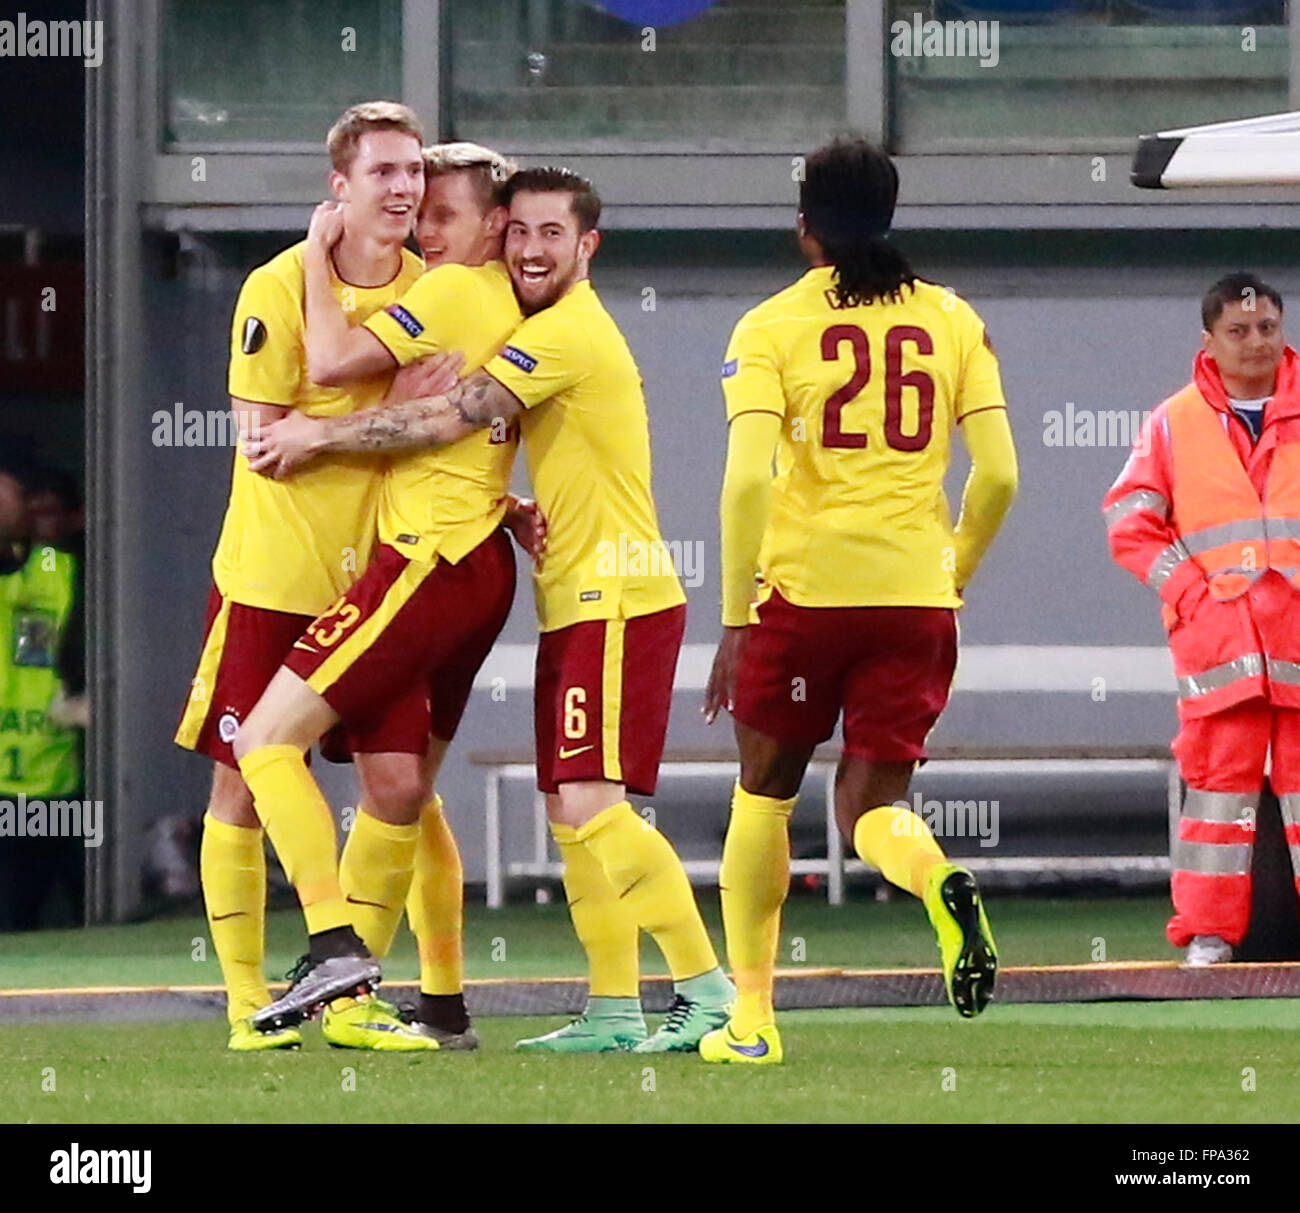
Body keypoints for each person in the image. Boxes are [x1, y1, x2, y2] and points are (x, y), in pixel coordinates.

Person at [246, 166, 736, 1053]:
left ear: (588, 245)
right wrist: (507, 507)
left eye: (551, 234)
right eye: (523, 233)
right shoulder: (536, 320)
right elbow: (470, 429)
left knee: (589, 804)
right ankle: (613, 1010)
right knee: (554, 806)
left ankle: (708, 991)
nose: (531, 249)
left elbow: (441, 416)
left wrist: (316, 429)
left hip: (610, 596)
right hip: (569, 590)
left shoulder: (547, 328)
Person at [698, 138, 1017, 1064]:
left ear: (806, 230)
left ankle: (752, 1021)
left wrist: (733, 615)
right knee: (872, 810)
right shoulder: (955, 319)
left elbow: (746, 483)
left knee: (761, 800)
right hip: (915, 595)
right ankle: (939, 877)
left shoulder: (770, 326)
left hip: (804, 595)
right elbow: (999, 473)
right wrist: (950, 569)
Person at [233, 139, 541, 1044]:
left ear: (489, 225)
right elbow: (449, 422)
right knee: (404, 790)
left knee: (260, 742)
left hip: (425, 561)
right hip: (477, 558)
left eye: (441, 212)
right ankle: (438, 1004)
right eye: (416, 203)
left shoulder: (446, 288)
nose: (423, 225)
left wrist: (313, 264)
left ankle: (334, 949)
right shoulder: (502, 302)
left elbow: (327, 360)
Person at [174, 100, 454, 1052]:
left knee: (397, 786)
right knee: (243, 788)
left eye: (413, 171)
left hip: (378, 585)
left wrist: (355, 423)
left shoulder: (433, 288)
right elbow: (264, 447)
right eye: (382, 172)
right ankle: (249, 998)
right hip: (272, 575)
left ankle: (350, 999)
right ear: (339, 186)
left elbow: (440, 429)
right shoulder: (276, 284)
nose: (403, 189)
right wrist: (391, 408)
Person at [1104, 272, 1300, 967]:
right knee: (1217, 797)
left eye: (1268, 328)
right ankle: (1207, 936)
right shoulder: (1173, 422)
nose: (1256, 343)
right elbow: (1129, 521)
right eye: (1240, 331)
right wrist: (1190, 593)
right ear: (1210, 340)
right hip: (1221, 651)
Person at [0, 458, 85, 930]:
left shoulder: (70, 572)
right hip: (3, 785)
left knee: (82, 919)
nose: (39, 521)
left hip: (60, 778)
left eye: (49, 511)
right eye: (29, 508)